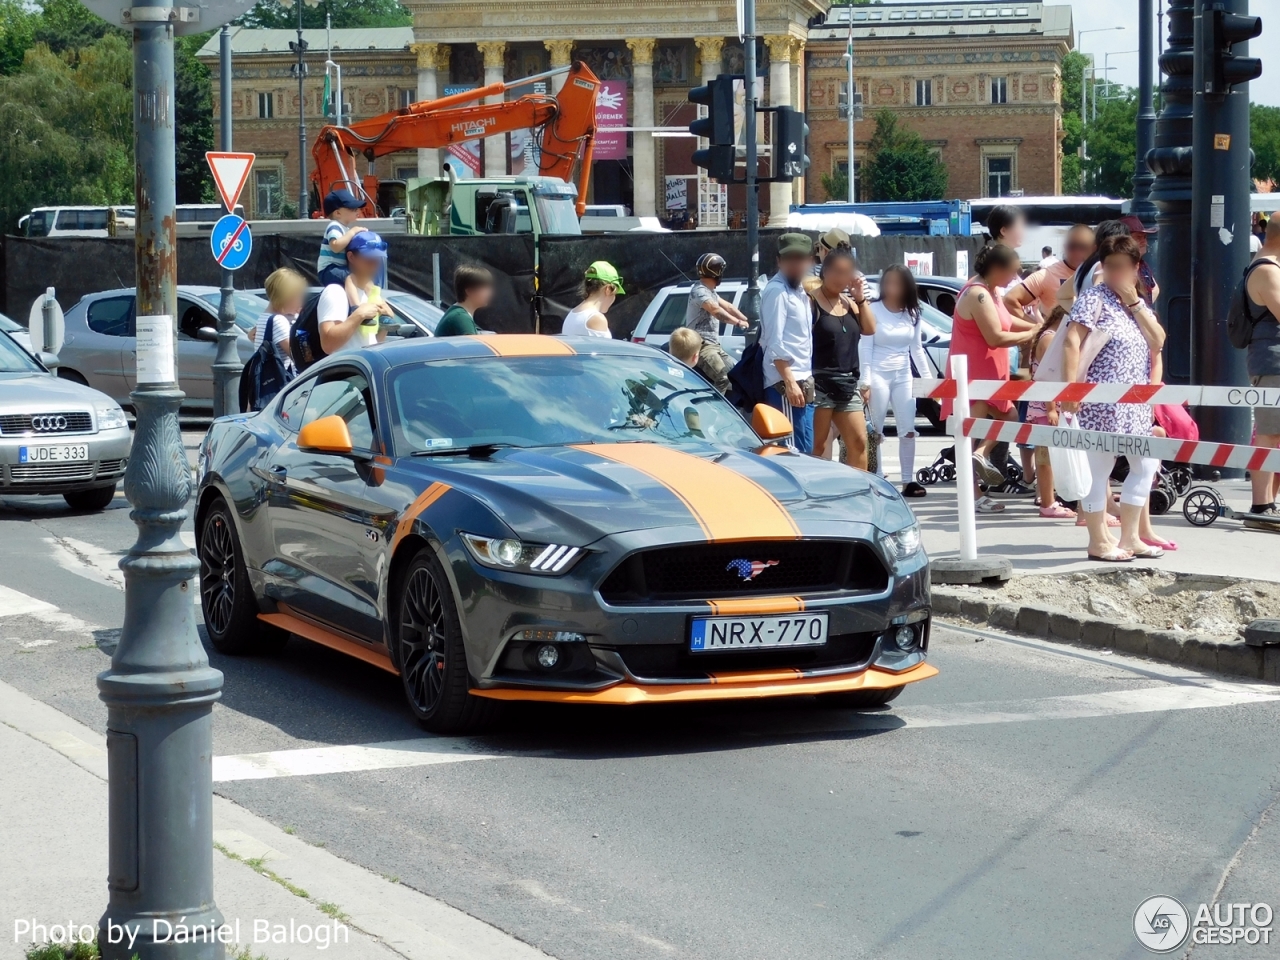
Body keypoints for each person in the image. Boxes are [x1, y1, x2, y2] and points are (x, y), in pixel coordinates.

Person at [1061, 234, 1166, 561]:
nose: (1115, 273)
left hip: (1135, 403)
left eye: (1122, 267)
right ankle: (1098, 539)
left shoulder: (1138, 303)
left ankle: (1130, 536)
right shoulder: (1094, 298)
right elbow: (1071, 342)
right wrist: (1070, 389)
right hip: (1100, 400)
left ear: (1136, 268)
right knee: (1099, 468)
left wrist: (1135, 303)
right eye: (1110, 267)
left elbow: (1158, 342)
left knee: (1145, 464)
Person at [944, 243, 1038, 513]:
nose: (1013, 278)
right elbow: (995, 336)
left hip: (989, 374)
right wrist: (1032, 334)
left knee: (1007, 419)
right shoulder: (978, 294)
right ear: (997, 268)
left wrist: (1040, 326)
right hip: (974, 373)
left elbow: (1007, 321)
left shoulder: (991, 292)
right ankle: (973, 494)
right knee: (971, 435)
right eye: (1011, 272)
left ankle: (980, 457)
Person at [862, 264, 930, 495]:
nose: (893, 287)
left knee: (908, 429)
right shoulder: (872, 309)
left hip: (903, 375)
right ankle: (878, 478)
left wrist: (928, 380)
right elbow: (865, 347)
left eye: (898, 283)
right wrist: (865, 381)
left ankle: (908, 480)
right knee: (876, 430)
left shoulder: (913, 312)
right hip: (877, 373)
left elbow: (917, 349)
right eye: (888, 282)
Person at [809, 247, 874, 469]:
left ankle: (861, 492)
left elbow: (870, 329)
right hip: (821, 384)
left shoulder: (849, 303)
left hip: (848, 383)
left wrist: (860, 298)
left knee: (859, 442)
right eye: (836, 272)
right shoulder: (811, 302)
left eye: (846, 273)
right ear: (824, 272)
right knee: (817, 446)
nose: (841, 278)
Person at [760, 233, 818, 452]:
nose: (795, 264)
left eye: (800, 258)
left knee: (805, 449)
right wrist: (790, 383)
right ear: (778, 260)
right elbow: (775, 342)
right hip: (784, 384)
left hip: (802, 381)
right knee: (792, 452)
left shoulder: (799, 290)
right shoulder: (777, 291)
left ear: (809, 261)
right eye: (789, 258)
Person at [1244, 214, 1280, 516]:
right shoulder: (1267, 270)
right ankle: (1261, 502)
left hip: (1272, 360)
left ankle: (1268, 499)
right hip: (1271, 361)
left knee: (1273, 431)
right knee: (1269, 432)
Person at [1025, 306, 1075, 519]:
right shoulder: (1049, 339)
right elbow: (1048, 377)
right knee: (1046, 458)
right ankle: (1047, 503)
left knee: (1048, 457)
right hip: (1046, 407)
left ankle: (1049, 500)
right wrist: (1051, 408)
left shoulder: (1047, 336)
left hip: (1045, 405)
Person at [317, 231, 394, 355]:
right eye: (369, 259)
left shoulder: (368, 293)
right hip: (344, 372)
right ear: (351, 257)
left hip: (363, 370)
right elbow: (328, 345)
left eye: (377, 259)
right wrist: (358, 315)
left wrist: (384, 326)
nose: (374, 265)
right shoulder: (336, 292)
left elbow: (370, 341)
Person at [684, 252, 749, 392]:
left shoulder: (710, 291)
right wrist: (738, 323)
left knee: (737, 374)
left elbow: (729, 307)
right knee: (722, 377)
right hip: (702, 346)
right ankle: (716, 411)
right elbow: (716, 311)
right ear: (717, 272)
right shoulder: (699, 291)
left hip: (714, 345)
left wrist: (746, 320)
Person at [1006, 224, 1095, 323]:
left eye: (1083, 247)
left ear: (1094, 248)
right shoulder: (1046, 275)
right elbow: (1009, 301)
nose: (1077, 252)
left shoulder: (1101, 274)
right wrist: (1037, 328)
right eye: (1072, 246)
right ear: (1065, 247)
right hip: (1056, 336)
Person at [1057, 219, 1131, 313]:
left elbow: (1062, 296)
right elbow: (1099, 301)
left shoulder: (1084, 266)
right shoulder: (1103, 267)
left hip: (1087, 326)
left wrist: (1080, 314)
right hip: (1104, 327)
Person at [248, 268, 306, 373]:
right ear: (285, 297)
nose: (300, 302)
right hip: (283, 383)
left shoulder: (264, 317)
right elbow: (298, 356)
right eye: (297, 297)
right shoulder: (278, 321)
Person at [316, 190, 368, 302]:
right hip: (329, 269)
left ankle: (375, 301)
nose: (358, 211)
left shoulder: (345, 229)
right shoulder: (334, 226)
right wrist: (353, 232)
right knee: (351, 278)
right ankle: (356, 307)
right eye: (353, 209)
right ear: (337, 213)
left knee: (364, 278)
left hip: (339, 268)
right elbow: (335, 246)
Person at [562, 261, 623, 338]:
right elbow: (605, 350)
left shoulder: (571, 314)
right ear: (608, 290)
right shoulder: (597, 319)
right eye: (615, 293)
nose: (614, 298)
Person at [435, 265, 493, 337]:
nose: (490, 293)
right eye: (485, 288)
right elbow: (472, 347)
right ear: (469, 291)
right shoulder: (461, 317)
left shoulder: (458, 313)